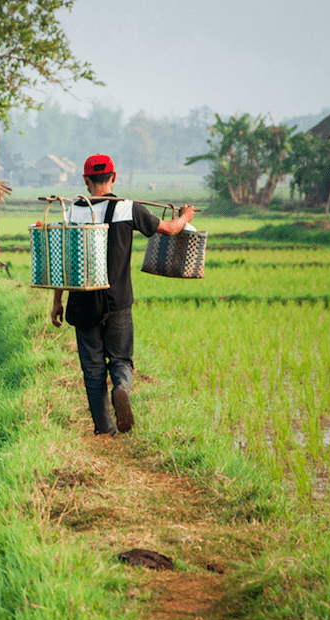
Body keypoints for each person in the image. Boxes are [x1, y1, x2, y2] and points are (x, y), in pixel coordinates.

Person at [49, 153, 194, 436]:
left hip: (82, 302)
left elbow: (62, 263)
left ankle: (104, 429)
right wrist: (186, 216)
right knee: (121, 359)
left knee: (92, 369)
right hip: (117, 302)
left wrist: (57, 301)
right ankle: (122, 389)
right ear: (114, 178)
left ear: (85, 180)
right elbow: (168, 230)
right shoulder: (128, 208)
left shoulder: (71, 213)